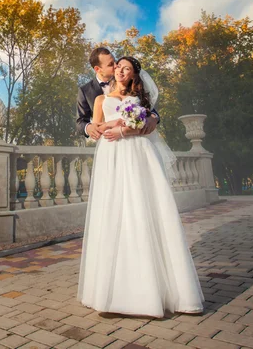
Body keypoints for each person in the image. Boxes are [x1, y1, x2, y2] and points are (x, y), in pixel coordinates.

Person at [77, 56, 204, 317]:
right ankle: (112, 291)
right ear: (103, 69)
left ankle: (158, 290)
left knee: (144, 209)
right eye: (117, 66)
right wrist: (112, 125)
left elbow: (150, 121)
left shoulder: (141, 101)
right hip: (112, 157)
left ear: (134, 74)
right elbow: (93, 125)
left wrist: (129, 128)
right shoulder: (99, 98)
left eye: (126, 67)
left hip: (139, 155)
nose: (120, 70)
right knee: (114, 212)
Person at [76, 47, 158, 141]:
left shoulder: (129, 85)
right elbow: (80, 122)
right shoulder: (85, 91)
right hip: (109, 141)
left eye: (115, 62)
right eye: (111, 64)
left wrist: (154, 117)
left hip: (137, 140)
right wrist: (89, 128)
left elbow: (147, 108)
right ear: (98, 69)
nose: (116, 66)